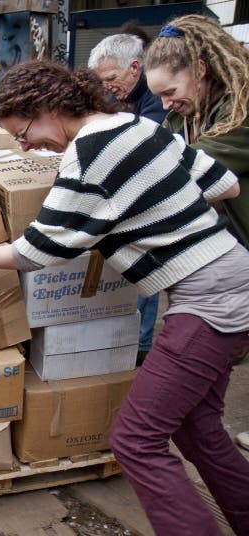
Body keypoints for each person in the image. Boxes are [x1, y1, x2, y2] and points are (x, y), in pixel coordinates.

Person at [0, 60, 249, 535]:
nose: (26, 146)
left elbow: (37, 251)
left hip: (208, 300)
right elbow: (225, 185)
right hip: (234, 273)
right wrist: (159, 210)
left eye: (23, 133)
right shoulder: (138, 126)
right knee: (196, 424)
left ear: (49, 108)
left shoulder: (86, 156)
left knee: (135, 441)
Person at [145, 13, 249, 477]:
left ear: (201, 69)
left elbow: (182, 172)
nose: (168, 103)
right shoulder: (192, 113)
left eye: (171, 91)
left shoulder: (241, 115)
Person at [88, 32, 166, 364]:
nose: (106, 87)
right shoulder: (129, 95)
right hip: (145, 197)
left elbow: (142, 145)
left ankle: (140, 346)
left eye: (110, 78)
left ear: (135, 67)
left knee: (148, 265)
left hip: (158, 200)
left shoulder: (158, 98)